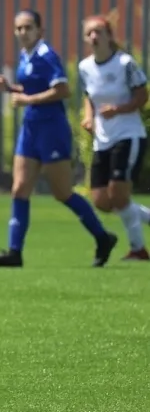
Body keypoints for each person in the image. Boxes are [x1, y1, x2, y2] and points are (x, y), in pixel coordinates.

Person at [0, 9, 118, 267]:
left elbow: (63, 90)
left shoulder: (47, 56)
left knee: (62, 193)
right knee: (19, 189)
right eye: (19, 28)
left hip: (52, 129)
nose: (23, 33)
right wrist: (11, 89)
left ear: (40, 31)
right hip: (31, 128)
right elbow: (35, 88)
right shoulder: (26, 55)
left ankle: (103, 237)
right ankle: (15, 252)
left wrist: (25, 99)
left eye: (28, 28)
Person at [78, 15, 150, 260]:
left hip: (128, 136)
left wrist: (118, 109)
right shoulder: (84, 66)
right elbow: (89, 96)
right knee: (102, 201)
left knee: (119, 195)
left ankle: (138, 249)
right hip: (103, 140)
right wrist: (89, 117)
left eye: (99, 32)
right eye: (89, 33)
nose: (94, 37)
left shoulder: (125, 63)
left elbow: (142, 96)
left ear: (109, 36)